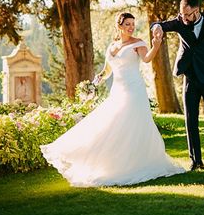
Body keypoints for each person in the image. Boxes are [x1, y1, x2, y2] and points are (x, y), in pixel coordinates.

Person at [40, 12, 185, 187]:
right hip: (118, 90)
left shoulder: (138, 43)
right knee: (111, 124)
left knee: (131, 124)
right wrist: (94, 83)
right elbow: (107, 70)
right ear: (119, 26)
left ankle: (135, 163)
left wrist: (155, 45)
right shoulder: (112, 46)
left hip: (134, 90)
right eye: (127, 24)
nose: (131, 27)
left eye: (133, 24)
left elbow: (147, 59)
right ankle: (112, 163)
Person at [152, 0, 204, 171]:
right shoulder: (180, 22)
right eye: (182, 14)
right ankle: (196, 161)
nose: (184, 18)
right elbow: (161, 25)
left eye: (188, 14)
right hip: (190, 77)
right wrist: (156, 27)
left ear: (197, 11)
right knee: (190, 120)